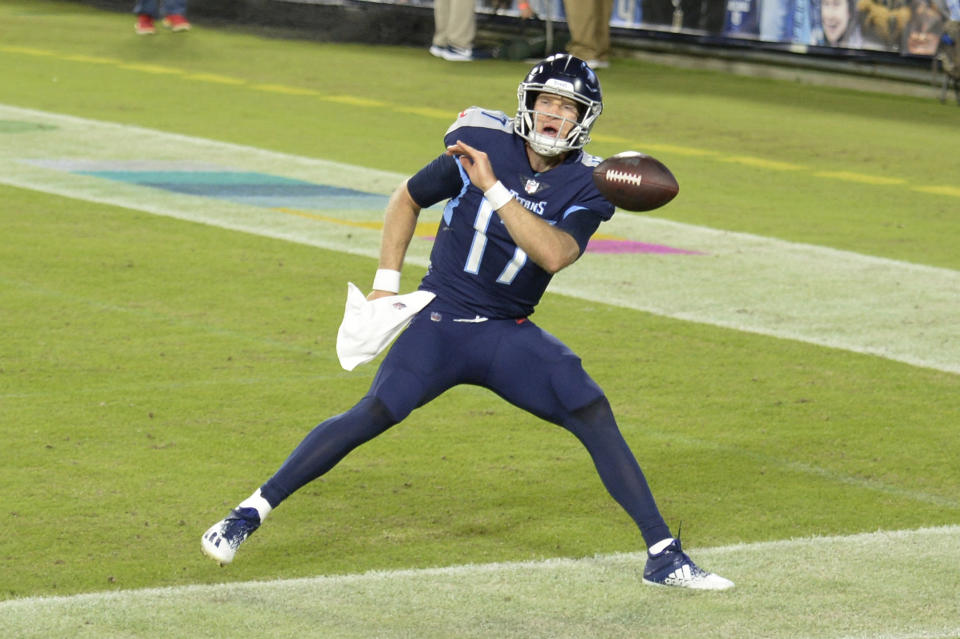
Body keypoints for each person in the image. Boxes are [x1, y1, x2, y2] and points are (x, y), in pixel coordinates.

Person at [201, 54, 734, 591]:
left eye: (566, 107)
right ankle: (246, 515)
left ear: (583, 120)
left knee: (588, 406)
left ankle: (663, 557)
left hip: (507, 330)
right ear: (527, 104)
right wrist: (386, 281)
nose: (552, 114)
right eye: (545, 101)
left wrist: (495, 190)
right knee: (377, 410)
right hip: (440, 321)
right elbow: (406, 199)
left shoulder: (590, 184)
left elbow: (554, 255)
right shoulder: (481, 143)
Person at [564, 0, 615, 69]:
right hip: (600, 55)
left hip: (585, 56)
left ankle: (583, 53)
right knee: (601, 3)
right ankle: (599, 53)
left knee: (581, 3)